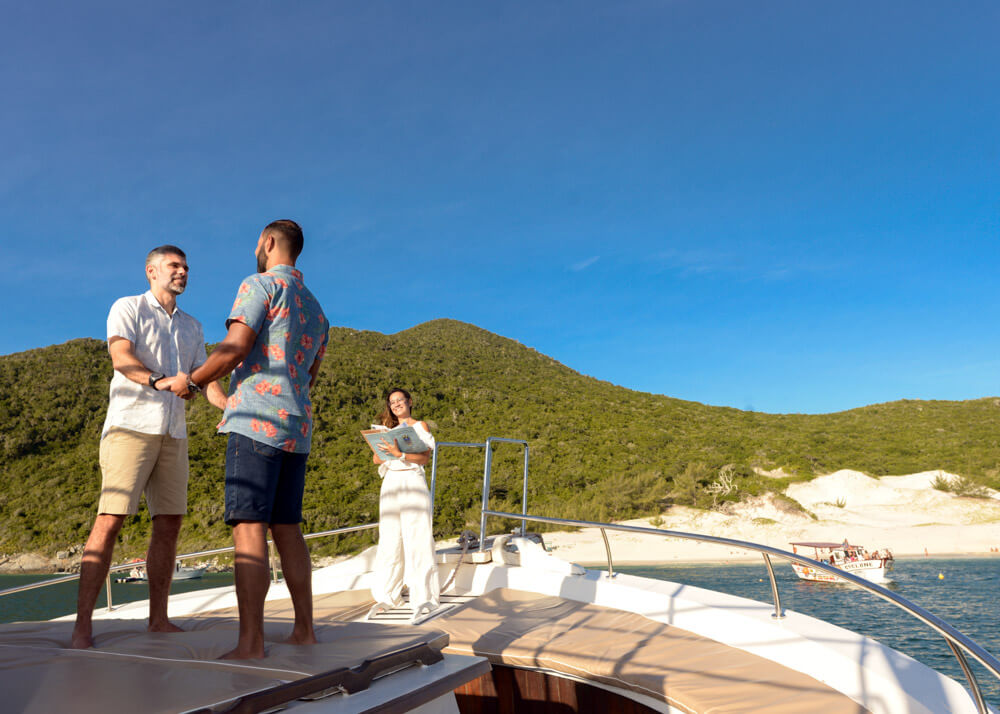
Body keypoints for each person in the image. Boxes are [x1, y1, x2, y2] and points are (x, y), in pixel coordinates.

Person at [71, 246, 226, 649]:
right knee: (111, 519)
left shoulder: (193, 326)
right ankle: (82, 626)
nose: (183, 272)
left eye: (186, 267)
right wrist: (160, 381)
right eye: (174, 266)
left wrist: (228, 407)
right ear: (151, 271)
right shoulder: (128, 307)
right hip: (130, 426)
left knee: (170, 523)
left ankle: (158, 620)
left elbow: (203, 379)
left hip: (174, 432)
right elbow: (120, 357)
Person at [187, 219, 328, 659]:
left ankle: (251, 643)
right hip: (296, 426)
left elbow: (235, 346)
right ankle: (304, 631)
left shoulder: (261, 285)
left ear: (267, 243)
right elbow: (309, 376)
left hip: (255, 425)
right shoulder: (318, 311)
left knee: (249, 529)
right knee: (288, 529)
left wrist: (192, 381)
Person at [367, 388, 440, 623]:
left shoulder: (420, 426)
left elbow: (424, 458)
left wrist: (399, 454)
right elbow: (377, 459)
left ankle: (424, 598)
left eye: (400, 400)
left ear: (409, 402)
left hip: (412, 481)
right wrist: (384, 448)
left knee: (417, 539)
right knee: (389, 541)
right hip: (390, 483)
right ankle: (388, 596)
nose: (396, 404)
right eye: (392, 402)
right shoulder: (389, 431)